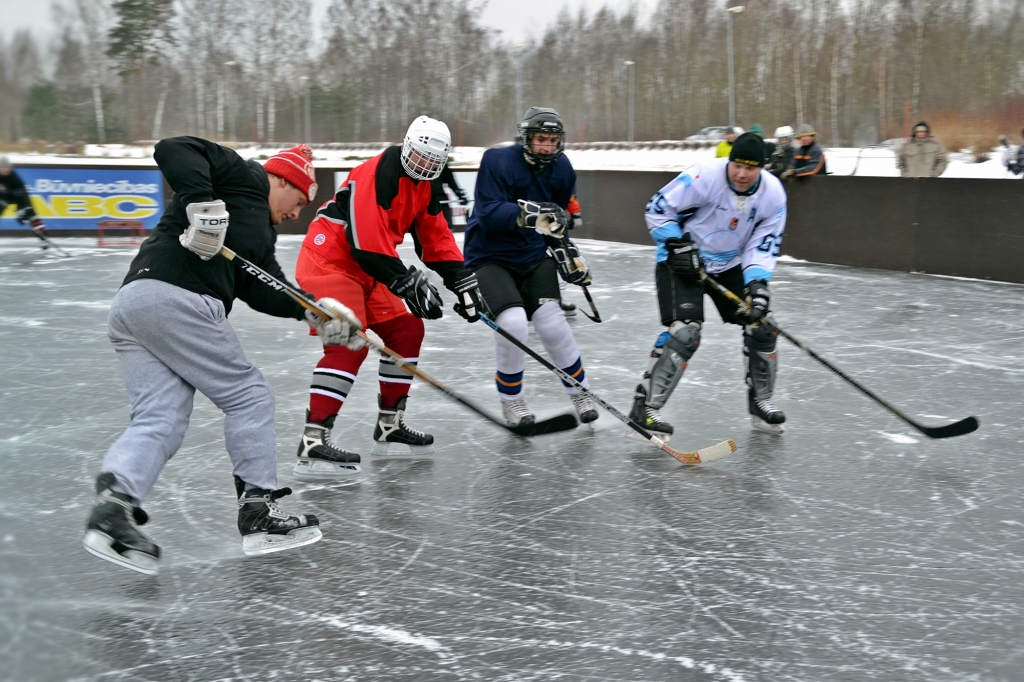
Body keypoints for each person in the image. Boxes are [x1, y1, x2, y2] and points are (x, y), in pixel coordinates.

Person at [83, 138, 363, 575]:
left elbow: (262, 285)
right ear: (281, 179)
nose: (298, 213)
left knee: (161, 417)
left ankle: (113, 509)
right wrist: (201, 206)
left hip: (135, 307)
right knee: (248, 395)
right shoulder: (241, 175)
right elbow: (173, 148)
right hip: (177, 298)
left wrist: (318, 313)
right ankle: (259, 511)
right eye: (300, 199)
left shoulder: (258, 235)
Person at [294, 116, 483, 469]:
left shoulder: (427, 186)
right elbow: (365, 242)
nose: (425, 166)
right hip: (329, 260)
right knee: (348, 341)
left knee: (407, 330)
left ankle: (389, 424)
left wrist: (463, 281)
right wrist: (405, 281)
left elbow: (436, 237)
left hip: (367, 268)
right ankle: (313, 438)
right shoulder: (377, 173)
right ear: (407, 146)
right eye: (421, 156)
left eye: (434, 161)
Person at [629, 132, 788, 437]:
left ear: (762, 169)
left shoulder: (773, 194)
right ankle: (645, 407)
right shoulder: (702, 175)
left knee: (763, 325)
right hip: (681, 262)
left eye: (750, 168)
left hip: (728, 264)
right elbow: (657, 209)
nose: (742, 174)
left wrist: (757, 285)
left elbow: (763, 242)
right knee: (686, 333)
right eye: (737, 165)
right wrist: (677, 244)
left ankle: (761, 402)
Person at [462, 106, 597, 427]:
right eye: (540, 139)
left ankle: (579, 391)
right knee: (513, 325)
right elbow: (489, 213)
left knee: (553, 325)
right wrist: (532, 215)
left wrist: (566, 250)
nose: (547, 147)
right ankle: (513, 401)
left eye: (552, 140)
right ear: (526, 139)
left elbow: (556, 224)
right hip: (489, 257)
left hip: (533, 256)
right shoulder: (497, 161)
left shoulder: (563, 169)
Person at [0, 156, 50, 250]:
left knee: (31, 214)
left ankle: (43, 238)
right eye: (5, 167)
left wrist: (22, 210)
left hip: (19, 196)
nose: (8, 169)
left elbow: (22, 194)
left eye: (9, 167)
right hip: (3, 197)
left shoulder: (14, 176)